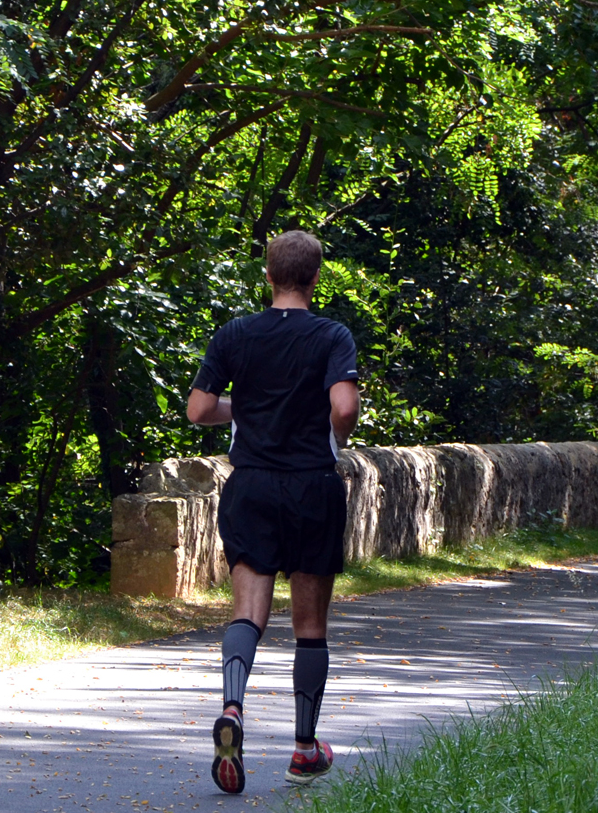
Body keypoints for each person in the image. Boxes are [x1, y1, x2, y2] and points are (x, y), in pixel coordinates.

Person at [186, 230, 361, 793]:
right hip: (312, 486)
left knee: (247, 612)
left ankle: (233, 710)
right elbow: (344, 406)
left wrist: (252, 409)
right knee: (310, 625)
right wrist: (330, 433)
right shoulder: (332, 336)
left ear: (267, 275)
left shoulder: (235, 334)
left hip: (252, 487)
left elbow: (199, 409)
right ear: (315, 277)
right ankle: (304, 750)